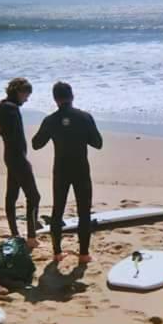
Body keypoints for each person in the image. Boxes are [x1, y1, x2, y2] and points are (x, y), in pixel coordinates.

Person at [32, 82, 103, 264]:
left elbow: (36, 144)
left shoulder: (50, 120)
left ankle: (57, 253)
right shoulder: (84, 117)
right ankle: (84, 255)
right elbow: (98, 143)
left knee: (58, 210)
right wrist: (79, 135)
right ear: (72, 96)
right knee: (84, 211)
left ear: (55, 99)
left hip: (61, 170)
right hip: (80, 169)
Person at [0, 77, 42, 250]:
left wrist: (0, 130)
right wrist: (1, 131)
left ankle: (15, 233)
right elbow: (11, 134)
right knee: (34, 197)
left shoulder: (5, 106)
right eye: (26, 95)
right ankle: (31, 238)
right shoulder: (11, 109)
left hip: (12, 156)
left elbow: (6, 132)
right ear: (19, 92)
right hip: (17, 158)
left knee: (12, 195)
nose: (27, 99)